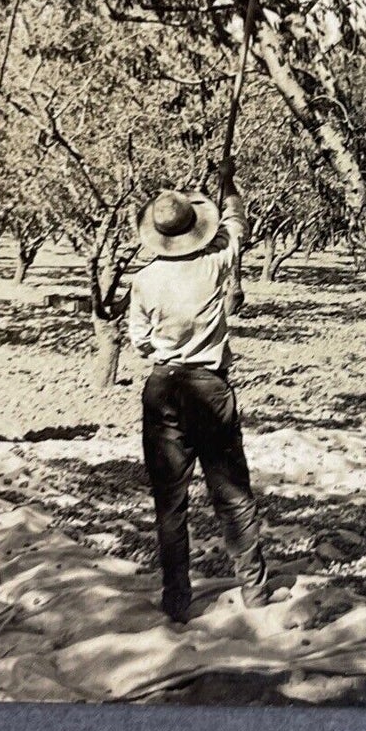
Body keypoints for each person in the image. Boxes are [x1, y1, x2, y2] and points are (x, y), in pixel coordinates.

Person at [128, 158, 270, 624]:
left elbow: (139, 339)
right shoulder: (215, 262)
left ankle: (176, 599)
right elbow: (237, 223)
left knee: (170, 500)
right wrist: (228, 183)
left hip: (164, 386)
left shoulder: (145, 279)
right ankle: (255, 589)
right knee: (231, 492)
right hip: (209, 387)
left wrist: (166, 341)